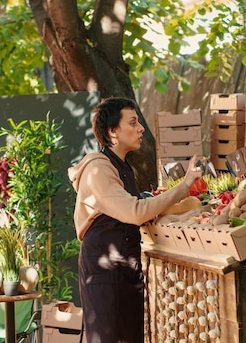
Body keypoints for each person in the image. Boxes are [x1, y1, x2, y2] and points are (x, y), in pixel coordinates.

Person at [68, 97, 203, 343]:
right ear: (113, 132)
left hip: (125, 270)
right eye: (133, 122)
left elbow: (140, 209)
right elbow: (136, 211)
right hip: (105, 274)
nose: (141, 128)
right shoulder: (99, 170)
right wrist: (183, 188)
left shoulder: (123, 167)